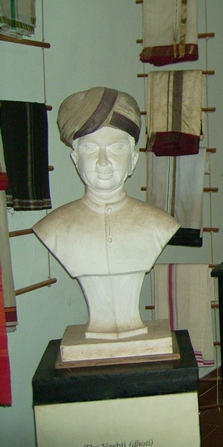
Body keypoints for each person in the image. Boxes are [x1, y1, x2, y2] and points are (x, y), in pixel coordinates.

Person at [33, 87, 180, 340]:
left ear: (133, 160)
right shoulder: (53, 228)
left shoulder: (159, 224)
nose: (103, 161)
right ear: (75, 159)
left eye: (117, 148)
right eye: (90, 148)